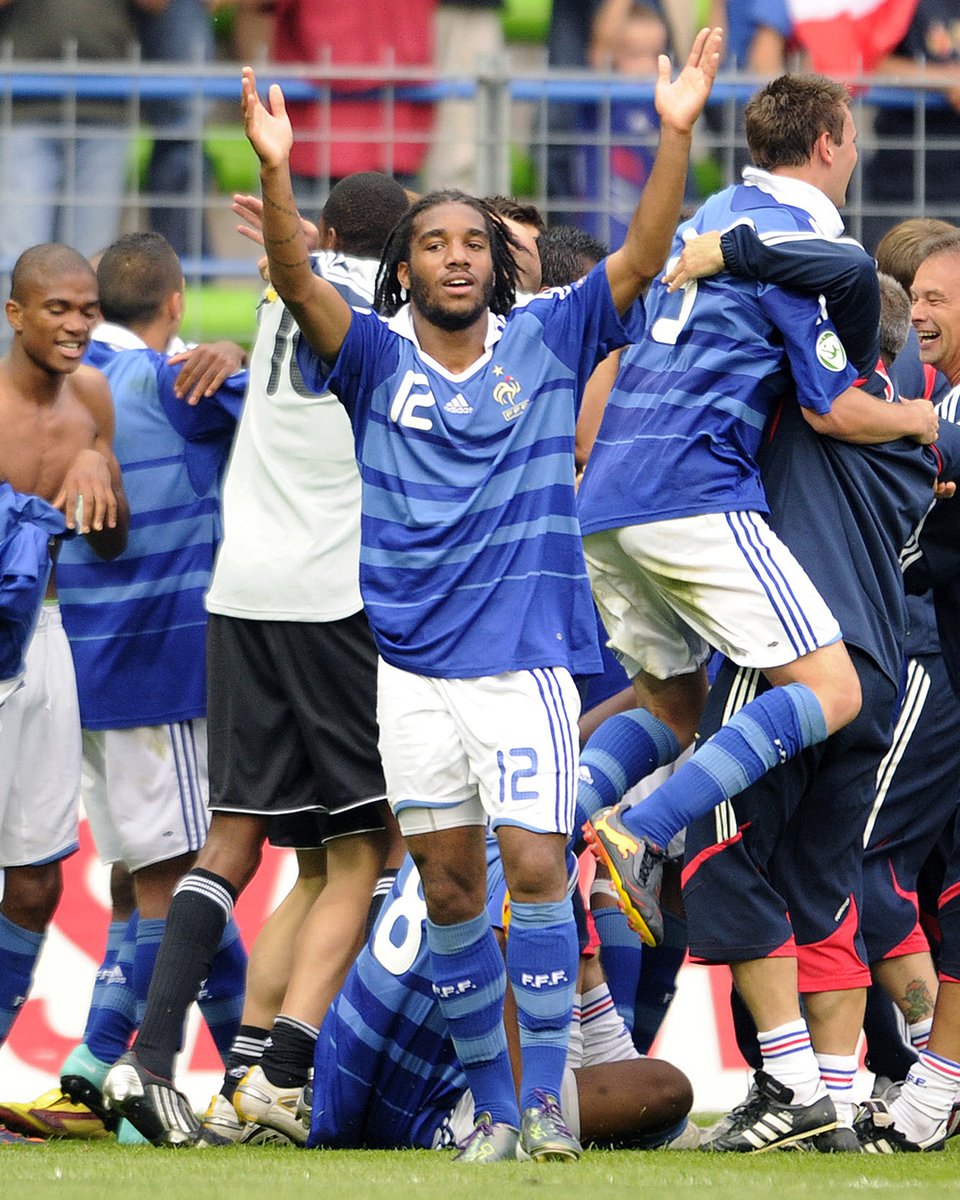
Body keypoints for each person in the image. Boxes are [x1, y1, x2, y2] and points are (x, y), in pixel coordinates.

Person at [225, 30, 721, 1165]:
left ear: (498, 269)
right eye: (433, 243)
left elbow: (643, 258)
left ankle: (545, 1102)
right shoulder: (373, 362)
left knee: (536, 867)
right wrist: (274, 168)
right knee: (449, 886)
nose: (455, 257)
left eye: (473, 245)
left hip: (520, 668)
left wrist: (677, 129)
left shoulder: (549, 338)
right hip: (408, 676)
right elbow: (297, 279)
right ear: (403, 269)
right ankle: (495, 1112)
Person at [577, 73, 938, 953]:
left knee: (671, 706)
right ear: (825, 144)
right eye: (851, 142)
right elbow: (832, 408)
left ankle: (529, 841)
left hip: (607, 498)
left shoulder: (709, 214)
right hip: (694, 489)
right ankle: (646, 828)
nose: (855, 159)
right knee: (833, 688)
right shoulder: (799, 237)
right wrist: (921, 418)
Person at [102, 172, 410, 1148]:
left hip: (241, 594)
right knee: (368, 846)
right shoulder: (378, 323)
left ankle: (159, 1065)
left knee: (250, 843)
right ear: (404, 253)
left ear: (326, 232)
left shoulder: (285, 299)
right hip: (332, 602)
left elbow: (264, 338)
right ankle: (280, 1078)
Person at [306, 842, 696, 1154]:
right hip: (432, 1110)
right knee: (668, 1089)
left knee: (549, 923)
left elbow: (575, 957)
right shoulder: (529, 839)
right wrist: (523, 1107)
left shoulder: (455, 820)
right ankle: (506, 1117)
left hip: (344, 1085)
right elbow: (494, 954)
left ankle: (545, 1095)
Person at [0, 243, 128, 1078]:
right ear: (17, 315)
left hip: (44, 635)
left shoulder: (93, 396)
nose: (78, 326)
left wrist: (98, 464)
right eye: (59, 309)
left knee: (37, 881)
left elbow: (111, 542)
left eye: (88, 309)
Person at [857, 230, 960, 1151]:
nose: (919, 315)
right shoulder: (932, 405)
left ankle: (925, 1062)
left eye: (936, 298)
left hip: (928, 663)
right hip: (923, 657)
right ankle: (927, 1079)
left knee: (859, 853)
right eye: (911, 299)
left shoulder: (932, 413)